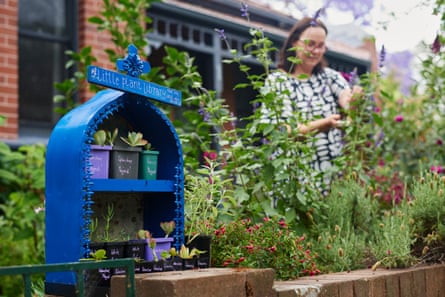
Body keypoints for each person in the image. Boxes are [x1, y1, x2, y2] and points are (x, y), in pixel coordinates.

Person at [262, 16, 363, 194]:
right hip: (294, 181)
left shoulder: (328, 77)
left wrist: (353, 101)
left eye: (321, 45)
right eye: (310, 44)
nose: (316, 51)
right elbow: (281, 132)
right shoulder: (277, 82)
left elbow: (345, 97)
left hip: (330, 177)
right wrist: (320, 125)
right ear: (294, 43)